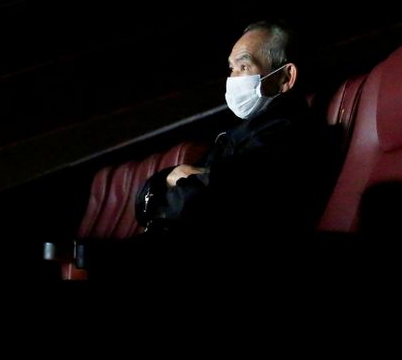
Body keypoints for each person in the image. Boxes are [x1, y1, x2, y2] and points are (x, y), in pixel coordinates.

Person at [135, 19, 335, 238]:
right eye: (232, 69)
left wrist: (172, 182)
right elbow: (178, 189)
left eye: (244, 67)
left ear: (285, 77)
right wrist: (167, 179)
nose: (233, 79)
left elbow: (206, 204)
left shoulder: (286, 133)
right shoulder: (244, 130)